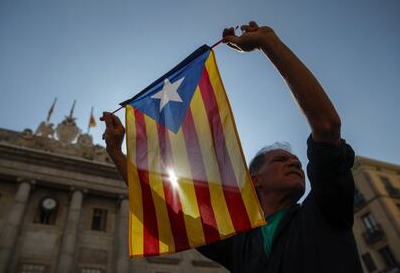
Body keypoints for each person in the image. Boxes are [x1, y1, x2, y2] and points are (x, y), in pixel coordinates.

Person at [101, 21, 363, 273]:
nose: (295, 163)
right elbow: (168, 215)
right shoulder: (237, 242)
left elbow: (327, 126)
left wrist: (268, 42)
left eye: (294, 160)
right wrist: (115, 152)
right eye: (280, 159)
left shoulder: (325, 209)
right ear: (255, 180)